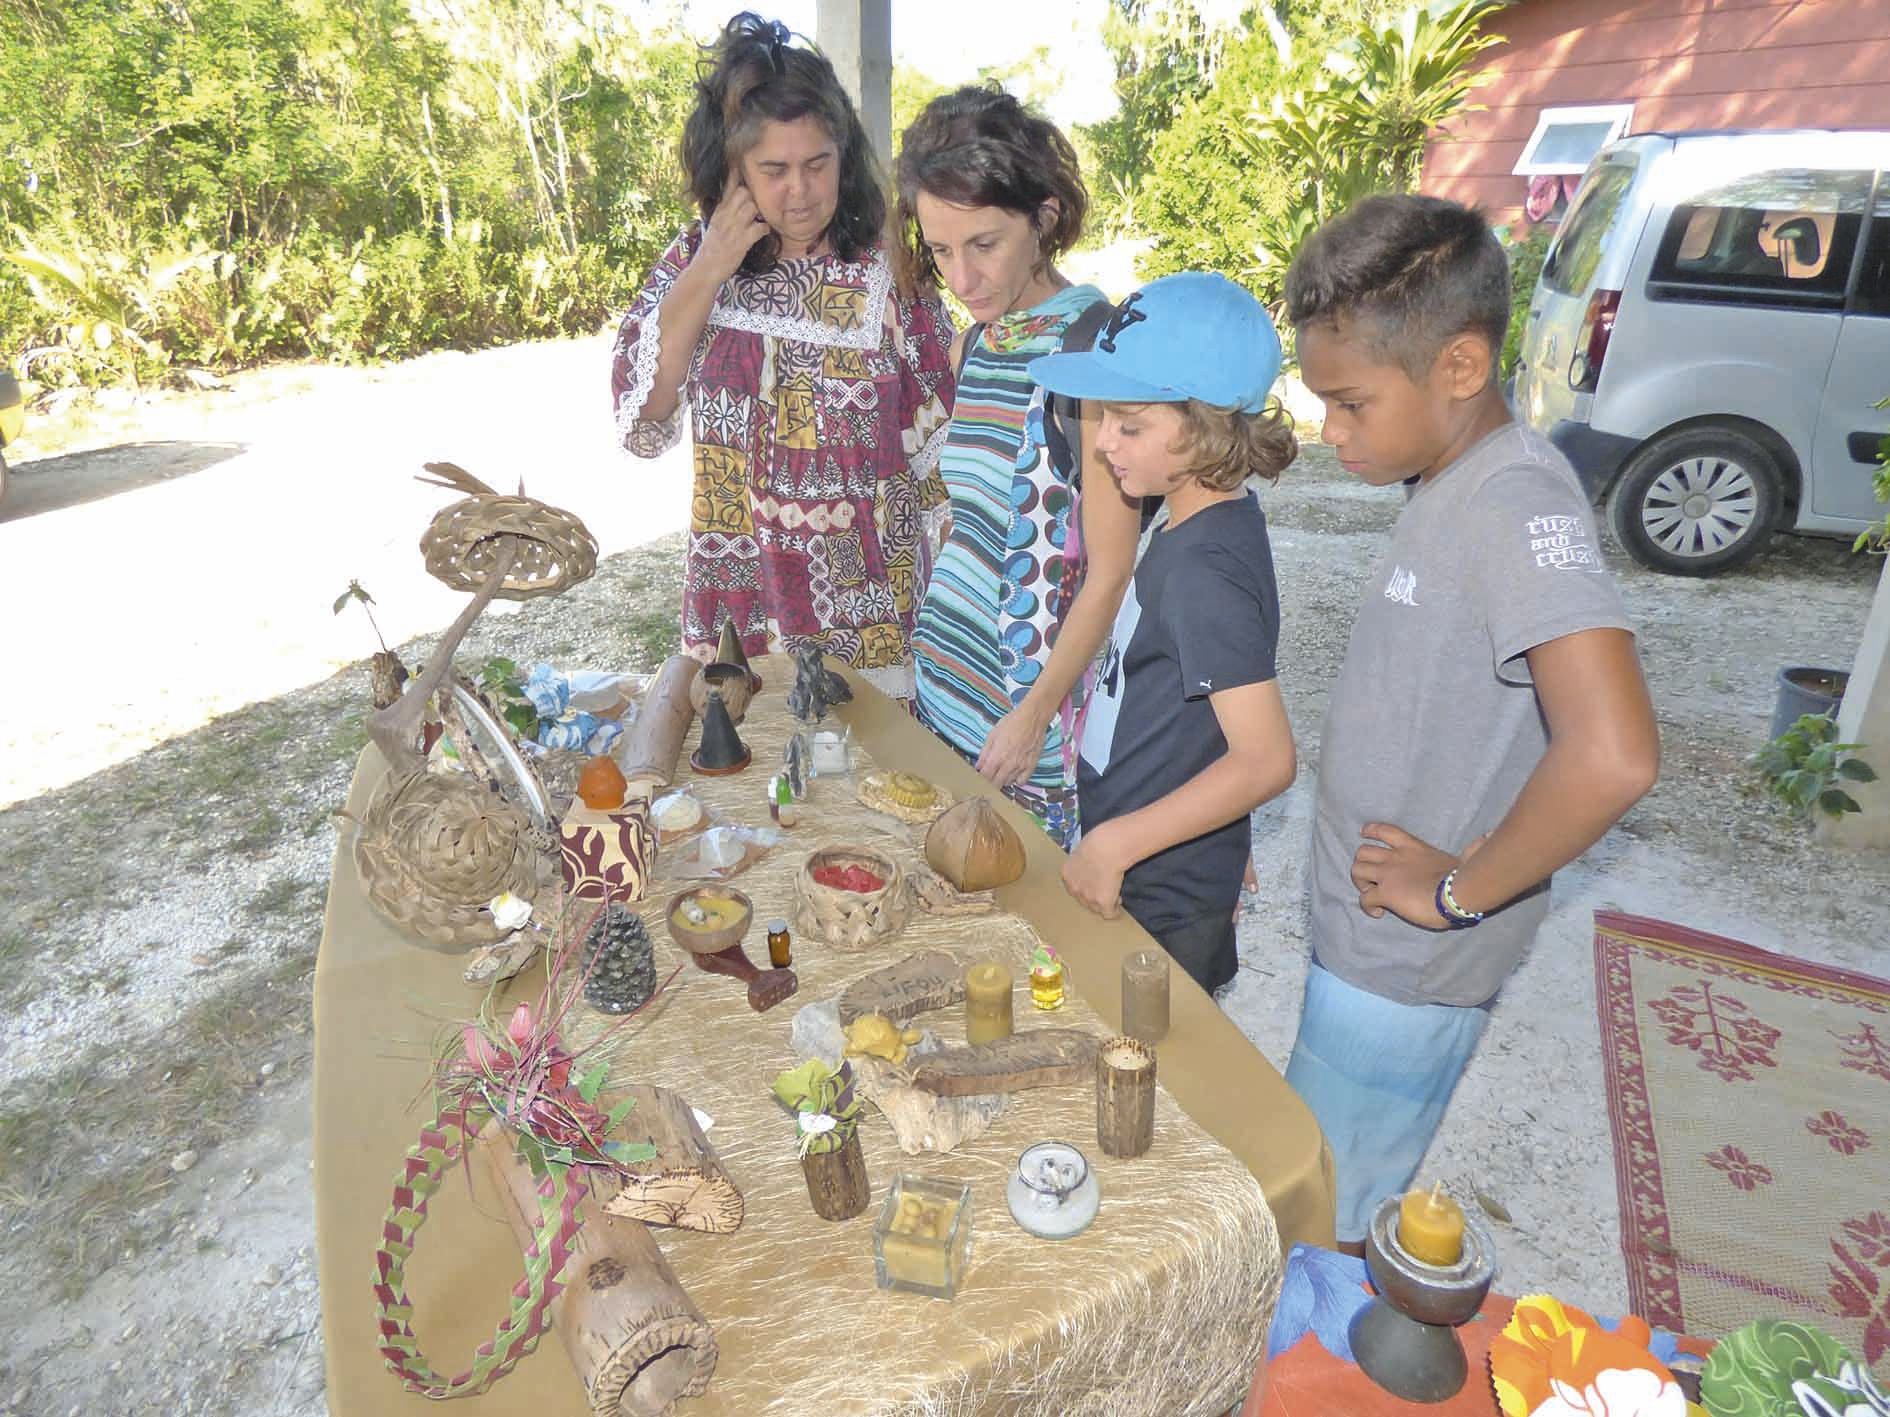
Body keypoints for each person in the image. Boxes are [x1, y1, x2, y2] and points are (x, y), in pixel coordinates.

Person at [1280, 194, 1661, 1251]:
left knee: (1325, 1211)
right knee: (1317, 1165)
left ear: (1458, 366)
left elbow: (1617, 752)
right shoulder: (1451, 476)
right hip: (1371, 940)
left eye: (1351, 404)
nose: (1331, 430)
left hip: (1406, 961)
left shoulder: (1515, 504)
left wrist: (1457, 891)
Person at [610, 13, 954, 697]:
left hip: (872, 617)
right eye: (773, 169)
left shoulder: (886, 269)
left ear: (844, 157)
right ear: (733, 170)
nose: (798, 190)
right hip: (741, 611)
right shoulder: (695, 263)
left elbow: (941, 444)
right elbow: (643, 417)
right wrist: (712, 264)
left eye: (816, 164)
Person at [1029, 272, 1300, 993]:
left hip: (1162, 894)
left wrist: (1120, 842)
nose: (1105, 442)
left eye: (1129, 423)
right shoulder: (1199, 522)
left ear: (1207, 425)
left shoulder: (1203, 573)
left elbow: (1268, 758)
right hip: (1166, 853)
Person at [894, 85, 1144, 847]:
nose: (962, 280)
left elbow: (1110, 570)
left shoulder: (1092, 350)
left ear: (1043, 218)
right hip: (943, 685)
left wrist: (1033, 714)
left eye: (984, 244)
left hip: (1021, 726)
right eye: (940, 250)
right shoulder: (979, 342)